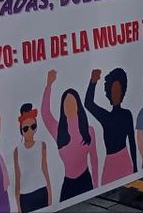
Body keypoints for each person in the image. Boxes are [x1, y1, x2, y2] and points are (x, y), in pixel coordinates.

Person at [41, 71, 98, 199]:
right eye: (66, 104)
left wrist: (95, 185)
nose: (70, 106)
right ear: (62, 108)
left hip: (85, 180)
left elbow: (94, 159)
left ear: (78, 106)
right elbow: (45, 113)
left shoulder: (89, 130)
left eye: (72, 103)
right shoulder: (58, 130)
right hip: (68, 184)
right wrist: (49, 85)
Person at [86, 68, 137, 183]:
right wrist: (93, 82)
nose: (116, 93)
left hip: (125, 161)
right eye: (113, 90)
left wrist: (135, 168)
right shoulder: (106, 117)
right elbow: (88, 104)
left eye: (118, 90)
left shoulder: (127, 115)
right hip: (109, 165)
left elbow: (132, 142)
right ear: (109, 92)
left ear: (123, 91)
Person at [13, 105, 51, 213]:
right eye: (26, 128)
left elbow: (45, 169)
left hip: (41, 190)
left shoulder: (42, 145)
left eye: (33, 127)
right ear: (21, 131)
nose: (29, 131)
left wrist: (50, 194)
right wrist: (18, 206)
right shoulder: (17, 150)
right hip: (25, 195)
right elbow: (17, 177)